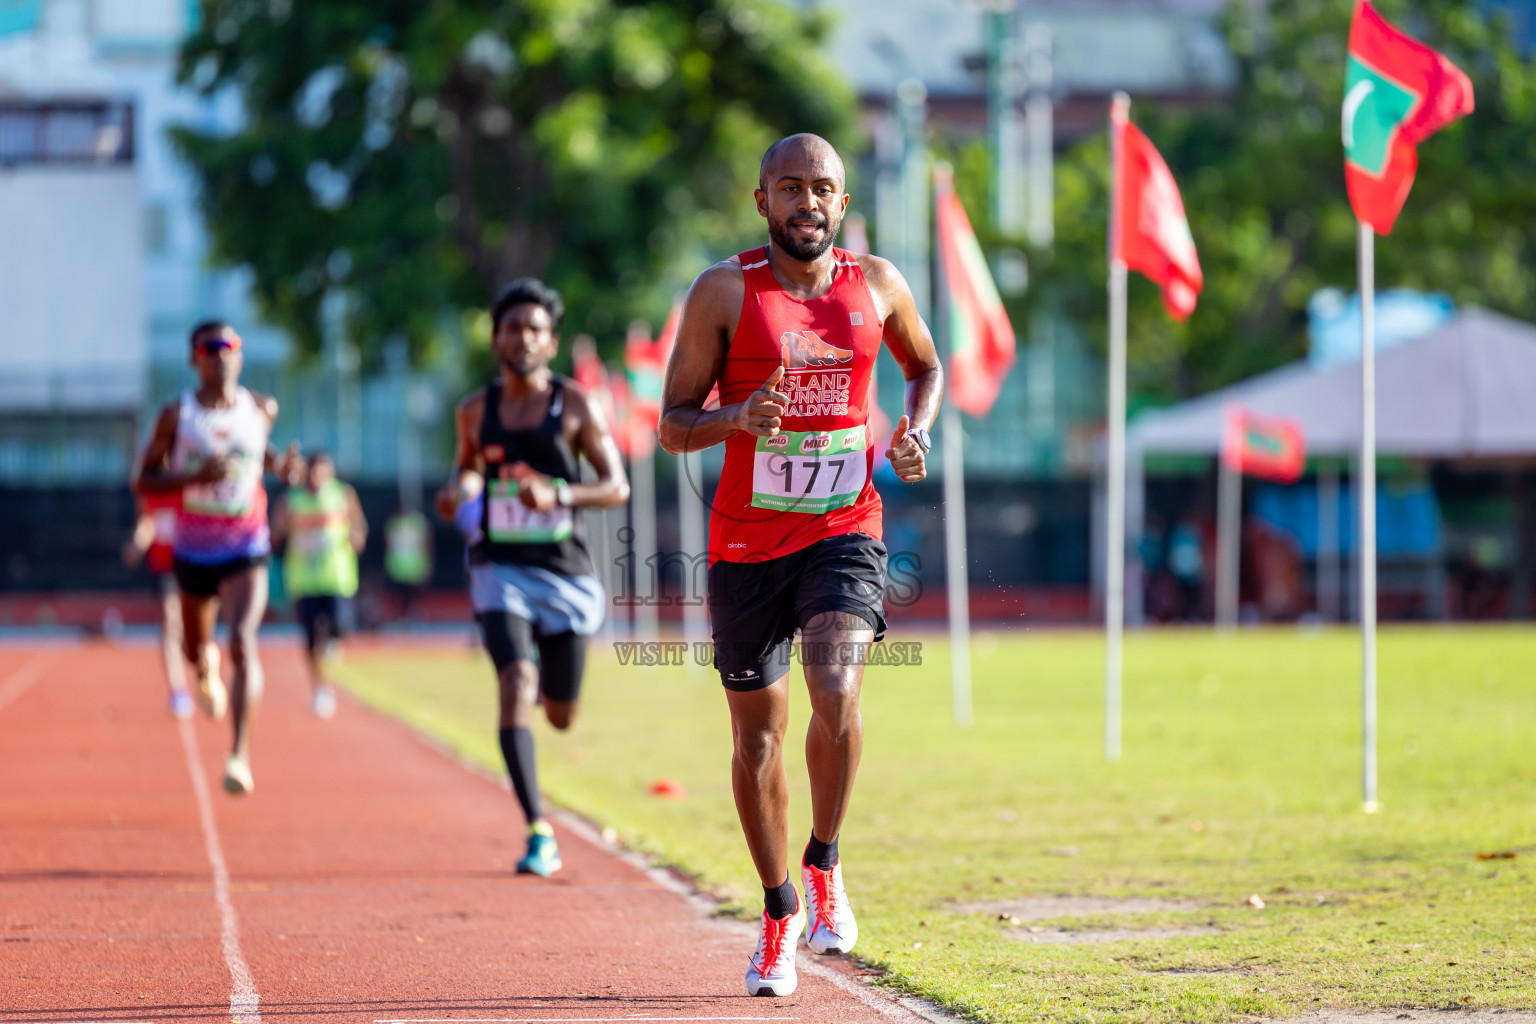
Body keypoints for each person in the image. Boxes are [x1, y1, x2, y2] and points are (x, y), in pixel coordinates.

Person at [659, 133, 942, 997]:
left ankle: (824, 863)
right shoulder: (723, 291)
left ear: (842, 204)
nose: (807, 202)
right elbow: (672, 422)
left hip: (844, 527)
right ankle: (778, 911)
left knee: (839, 685)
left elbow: (925, 366)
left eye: (822, 188)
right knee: (756, 739)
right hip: (746, 543)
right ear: (763, 201)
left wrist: (915, 426)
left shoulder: (878, 285)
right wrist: (736, 416)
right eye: (791, 188)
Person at [435, 278, 630, 877]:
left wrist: (558, 492)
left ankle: (551, 673)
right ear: (496, 338)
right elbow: (466, 472)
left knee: (560, 713)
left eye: (535, 330)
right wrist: (459, 492)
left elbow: (616, 485)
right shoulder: (475, 410)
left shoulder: (573, 405)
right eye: (513, 327)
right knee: (515, 682)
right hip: (501, 569)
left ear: (551, 343)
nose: (523, 337)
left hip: (565, 576)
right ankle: (538, 830)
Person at [132, 320, 301, 795]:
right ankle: (205, 673)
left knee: (243, 641)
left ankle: (239, 756)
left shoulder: (261, 408)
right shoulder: (176, 416)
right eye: (210, 347)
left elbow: (257, 454)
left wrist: (281, 468)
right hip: (193, 548)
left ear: (240, 355)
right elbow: (143, 479)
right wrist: (194, 479)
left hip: (247, 543)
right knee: (194, 650)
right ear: (194, 359)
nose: (221, 354)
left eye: (230, 346)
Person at [271, 450, 367, 719]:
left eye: (321, 471)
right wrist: (280, 529)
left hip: (337, 576)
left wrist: (357, 536)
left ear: (330, 472)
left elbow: (358, 523)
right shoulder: (291, 500)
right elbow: (276, 531)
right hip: (304, 579)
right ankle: (321, 688)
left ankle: (333, 645)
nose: (316, 477)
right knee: (312, 639)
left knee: (339, 627)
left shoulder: (343, 495)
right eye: (311, 471)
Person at [121, 492, 194, 719]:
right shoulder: (150, 491)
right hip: (164, 567)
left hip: (192, 563)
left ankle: (201, 672)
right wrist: (137, 544)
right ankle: (178, 690)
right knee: (170, 624)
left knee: (189, 626)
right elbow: (147, 523)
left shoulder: (187, 486)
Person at [384, 505, 433, 621]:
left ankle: (412, 614)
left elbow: (427, 543)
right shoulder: (393, 523)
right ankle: (403, 616)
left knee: (413, 596)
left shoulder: (418, 522)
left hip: (414, 568)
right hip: (399, 569)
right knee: (401, 596)